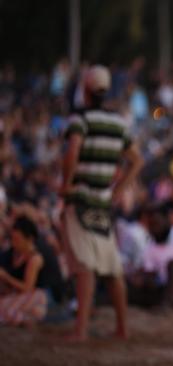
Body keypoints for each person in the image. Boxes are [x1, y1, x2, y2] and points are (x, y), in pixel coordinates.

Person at [59, 64, 143, 341]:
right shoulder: (118, 123)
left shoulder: (79, 119)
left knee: (85, 266)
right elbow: (136, 160)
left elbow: (72, 152)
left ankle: (80, 329)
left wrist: (67, 183)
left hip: (81, 198)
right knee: (111, 266)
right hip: (103, 202)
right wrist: (118, 190)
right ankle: (122, 328)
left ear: (85, 88)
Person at [0, 216, 50, 325]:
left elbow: (27, 288)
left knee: (6, 310)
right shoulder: (13, 254)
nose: (14, 243)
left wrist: (6, 277)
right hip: (17, 295)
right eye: (12, 239)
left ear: (29, 239)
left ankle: (24, 318)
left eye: (17, 239)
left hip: (34, 296)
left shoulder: (35, 258)